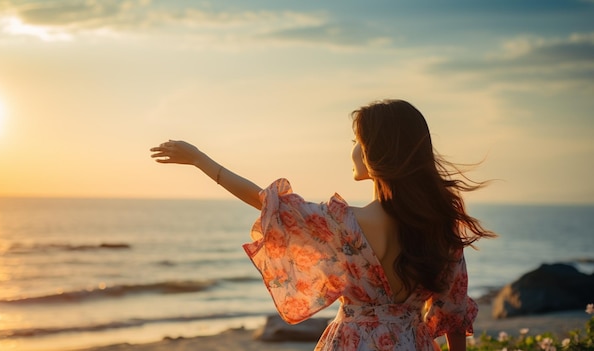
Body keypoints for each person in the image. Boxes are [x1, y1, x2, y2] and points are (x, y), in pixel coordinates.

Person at [150, 99, 496, 351]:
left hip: (351, 342)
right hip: (412, 342)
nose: (354, 151)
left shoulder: (343, 223)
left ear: (377, 152)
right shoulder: (438, 227)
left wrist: (199, 159)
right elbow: (453, 311)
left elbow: (265, 201)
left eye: (357, 142)